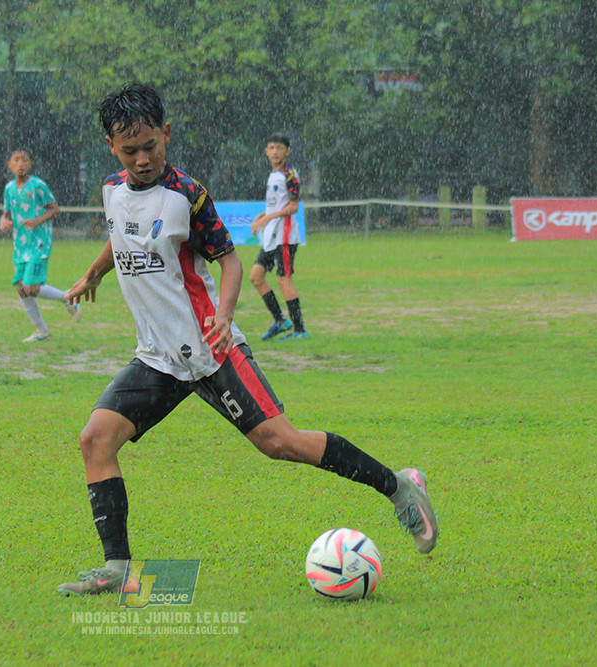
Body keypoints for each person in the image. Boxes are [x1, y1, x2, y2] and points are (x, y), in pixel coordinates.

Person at [57, 83, 438, 597]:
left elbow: (230, 259)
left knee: (282, 444)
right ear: (111, 147)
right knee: (95, 440)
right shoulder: (110, 189)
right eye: (131, 151)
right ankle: (118, 568)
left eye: (152, 146)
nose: (143, 159)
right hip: (159, 359)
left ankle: (398, 486)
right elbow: (121, 232)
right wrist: (93, 273)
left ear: (166, 135)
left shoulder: (187, 196)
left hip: (212, 350)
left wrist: (226, 314)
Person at [0, 148, 79, 343]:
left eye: (24, 160)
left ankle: (66, 297)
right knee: (21, 288)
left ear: (30, 165)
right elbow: (6, 213)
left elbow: (55, 209)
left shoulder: (38, 185)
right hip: (20, 246)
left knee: (31, 287)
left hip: (39, 243)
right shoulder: (9, 189)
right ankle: (42, 331)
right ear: (10, 165)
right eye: (16, 160)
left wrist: (37, 220)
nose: (20, 164)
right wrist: (3, 221)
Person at [250, 134, 307, 341]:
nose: (275, 152)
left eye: (279, 148)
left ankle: (300, 330)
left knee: (284, 280)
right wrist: (263, 216)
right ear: (266, 151)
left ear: (287, 151)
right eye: (271, 148)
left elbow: (293, 206)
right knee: (256, 276)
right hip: (271, 236)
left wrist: (269, 218)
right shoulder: (273, 175)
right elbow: (277, 205)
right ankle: (281, 321)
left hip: (285, 237)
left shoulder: (289, 174)